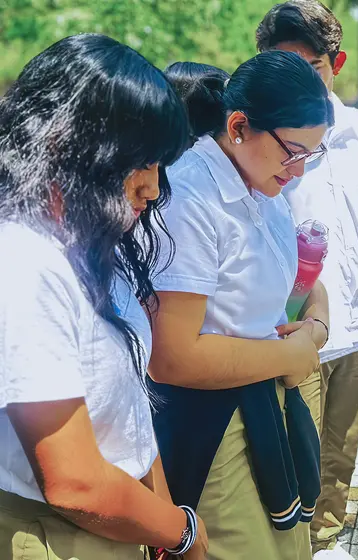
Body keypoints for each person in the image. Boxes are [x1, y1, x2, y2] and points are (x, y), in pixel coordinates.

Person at [0, 34, 208, 559]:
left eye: (160, 163)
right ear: (64, 145)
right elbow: (74, 482)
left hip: (122, 516)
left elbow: (128, 404)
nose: (153, 187)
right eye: (138, 162)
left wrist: (162, 511)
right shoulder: (25, 260)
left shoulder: (92, 237)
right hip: (56, 532)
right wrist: (183, 533)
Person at [149, 52, 333, 560]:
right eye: (292, 152)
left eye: (309, 157)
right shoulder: (189, 197)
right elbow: (172, 356)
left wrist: (315, 323)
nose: (296, 172)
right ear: (237, 127)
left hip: (267, 398)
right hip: (214, 419)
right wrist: (294, 356)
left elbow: (296, 277)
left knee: (289, 545)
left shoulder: (265, 187)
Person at [256, 1, 358, 553]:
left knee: (340, 445)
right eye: (282, 65)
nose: (297, 80)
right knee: (297, 442)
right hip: (289, 327)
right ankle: (290, 539)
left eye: (311, 66)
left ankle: (327, 534)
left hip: (355, 316)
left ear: (336, 63)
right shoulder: (255, 129)